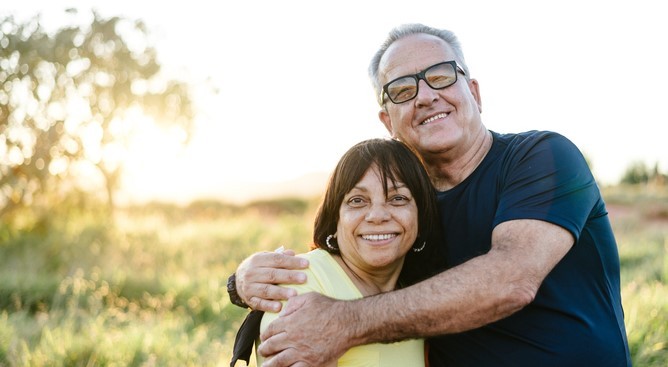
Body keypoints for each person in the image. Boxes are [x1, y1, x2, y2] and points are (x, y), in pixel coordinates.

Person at [228, 23, 631, 367]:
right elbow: (351, 258)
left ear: (474, 92)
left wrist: (343, 324)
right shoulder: (406, 206)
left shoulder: (542, 157)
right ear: (388, 120)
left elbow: (510, 280)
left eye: (440, 76)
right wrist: (243, 282)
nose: (424, 95)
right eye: (402, 89)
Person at [230, 138, 445, 366]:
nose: (377, 215)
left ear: (421, 215)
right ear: (336, 217)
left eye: (398, 198)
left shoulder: (417, 296)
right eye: (357, 200)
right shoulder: (299, 286)